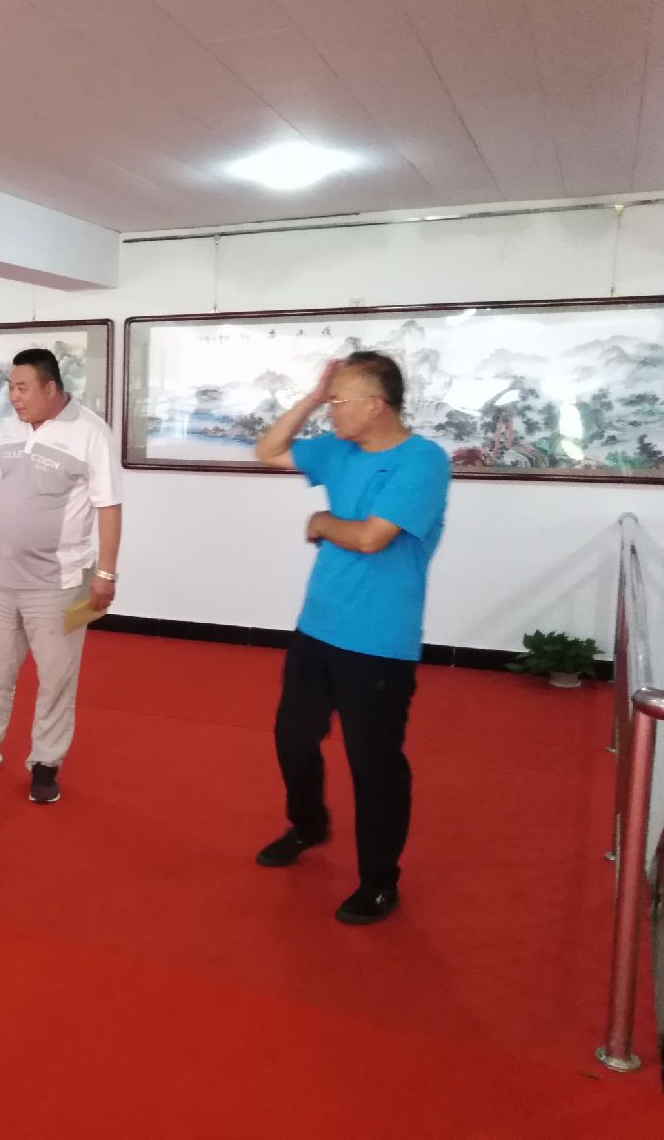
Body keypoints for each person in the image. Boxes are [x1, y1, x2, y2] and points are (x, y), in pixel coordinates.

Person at [252, 351, 451, 925]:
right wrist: (314, 396)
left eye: (340, 401)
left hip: (379, 641)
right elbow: (267, 450)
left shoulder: (422, 461)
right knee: (293, 737)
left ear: (377, 405)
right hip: (317, 627)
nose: (333, 411)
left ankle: (380, 881)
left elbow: (370, 538)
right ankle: (309, 824)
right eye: (331, 400)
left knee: (373, 762)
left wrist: (320, 523)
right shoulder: (338, 450)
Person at [0, 348, 122, 805]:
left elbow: (109, 506)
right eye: (11, 387)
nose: (14, 396)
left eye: (22, 388)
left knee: (55, 679)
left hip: (60, 583)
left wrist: (106, 573)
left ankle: (46, 762)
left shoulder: (91, 432)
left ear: (51, 388)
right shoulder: (11, 428)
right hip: (4, 579)